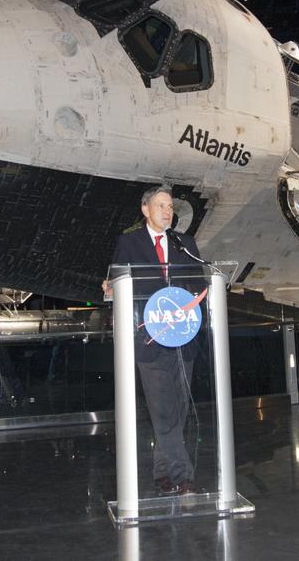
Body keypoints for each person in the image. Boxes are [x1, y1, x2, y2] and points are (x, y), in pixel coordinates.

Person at [110, 185, 206, 495]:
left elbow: (199, 285)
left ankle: (162, 473)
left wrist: (196, 295)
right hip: (149, 338)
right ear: (145, 209)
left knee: (176, 408)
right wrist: (109, 286)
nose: (168, 211)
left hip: (183, 338)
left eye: (170, 206)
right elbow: (116, 281)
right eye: (161, 205)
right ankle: (182, 476)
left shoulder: (184, 243)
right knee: (163, 409)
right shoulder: (130, 242)